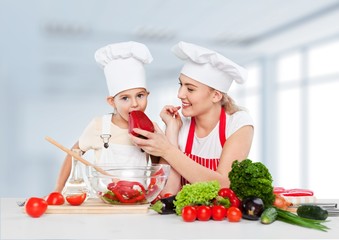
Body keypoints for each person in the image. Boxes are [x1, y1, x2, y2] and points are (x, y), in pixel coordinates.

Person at [130, 41, 254, 195]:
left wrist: (167, 150)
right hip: (183, 217)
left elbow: (223, 185)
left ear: (215, 95)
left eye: (190, 89)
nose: (180, 94)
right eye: (180, 85)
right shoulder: (180, 123)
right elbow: (167, 194)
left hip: (221, 217)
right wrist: (172, 130)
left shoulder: (238, 124)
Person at [54, 41, 156, 193]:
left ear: (148, 95)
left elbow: (156, 169)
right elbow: (72, 154)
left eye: (140, 95)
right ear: (112, 102)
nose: (135, 104)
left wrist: (153, 193)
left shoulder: (151, 129)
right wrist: (58, 189)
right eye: (125, 98)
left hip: (137, 202)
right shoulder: (99, 126)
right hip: (104, 201)